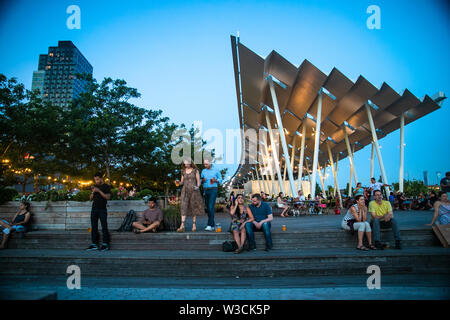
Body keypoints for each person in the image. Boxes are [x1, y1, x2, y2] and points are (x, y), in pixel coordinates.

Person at [176, 158, 205, 232]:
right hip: (185, 191)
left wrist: (197, 186)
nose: (186, 165)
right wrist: (178, 182)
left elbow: (198, 181)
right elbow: (182, 182)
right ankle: (182, 225)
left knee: (193, 206)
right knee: (183, 206)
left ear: (190, 163)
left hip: (194, 190)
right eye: (185, 164)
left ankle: (194, 225)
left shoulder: (195, 170)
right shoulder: (183, 171)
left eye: (187, 164)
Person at [86, 172, 111, 251]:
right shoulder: (94, 186)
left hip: (102, 209)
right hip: (94, 209)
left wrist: (99, 191)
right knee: (94, 227)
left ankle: (105, 244)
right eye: (95, 179)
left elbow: (107, 197)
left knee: (104, 227)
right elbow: (90, 198)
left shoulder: (106, 186)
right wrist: (93, 191)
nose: (96, 181)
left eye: (97, 179)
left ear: (101, 178)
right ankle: (94, 244)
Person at [201, 159, 222, 231]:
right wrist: (202, 181)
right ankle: (212, 224)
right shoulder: (203, 171)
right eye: (204, 164)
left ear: (210, 163)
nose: (205, 165)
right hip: (206, 190)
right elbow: (200, 180)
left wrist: (216, 180)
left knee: (210, 206)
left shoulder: (216, 170)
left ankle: (209, 225)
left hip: (213, 189)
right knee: (208, 208)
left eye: (206, 164)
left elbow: (221, 180)